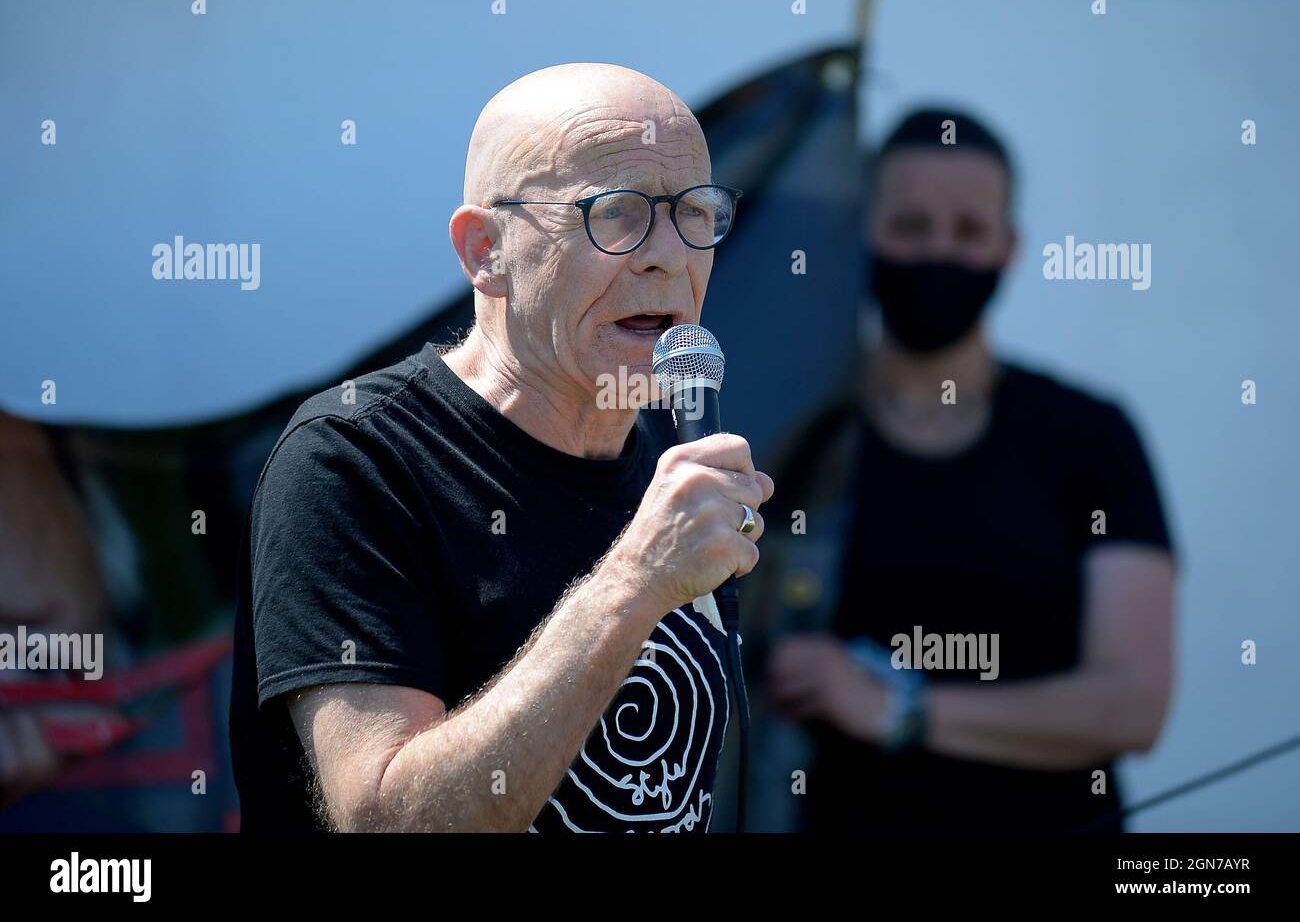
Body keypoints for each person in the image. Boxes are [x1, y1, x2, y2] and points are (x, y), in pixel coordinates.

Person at [228, 63, 772, 833]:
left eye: (694, 213)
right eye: (615, 214)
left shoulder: (667, 451)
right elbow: (384, 821)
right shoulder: (352, 461)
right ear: (485, 249)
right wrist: (635, 580)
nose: (668, 256)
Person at [747, 107, 1177, 833]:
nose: (939, 252)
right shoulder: (794, 439)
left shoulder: (1090, 437)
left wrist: (902, 709)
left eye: (969, 231)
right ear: (863, 233)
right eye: (910, 227)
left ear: (1010, 248)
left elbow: (1134, 704)